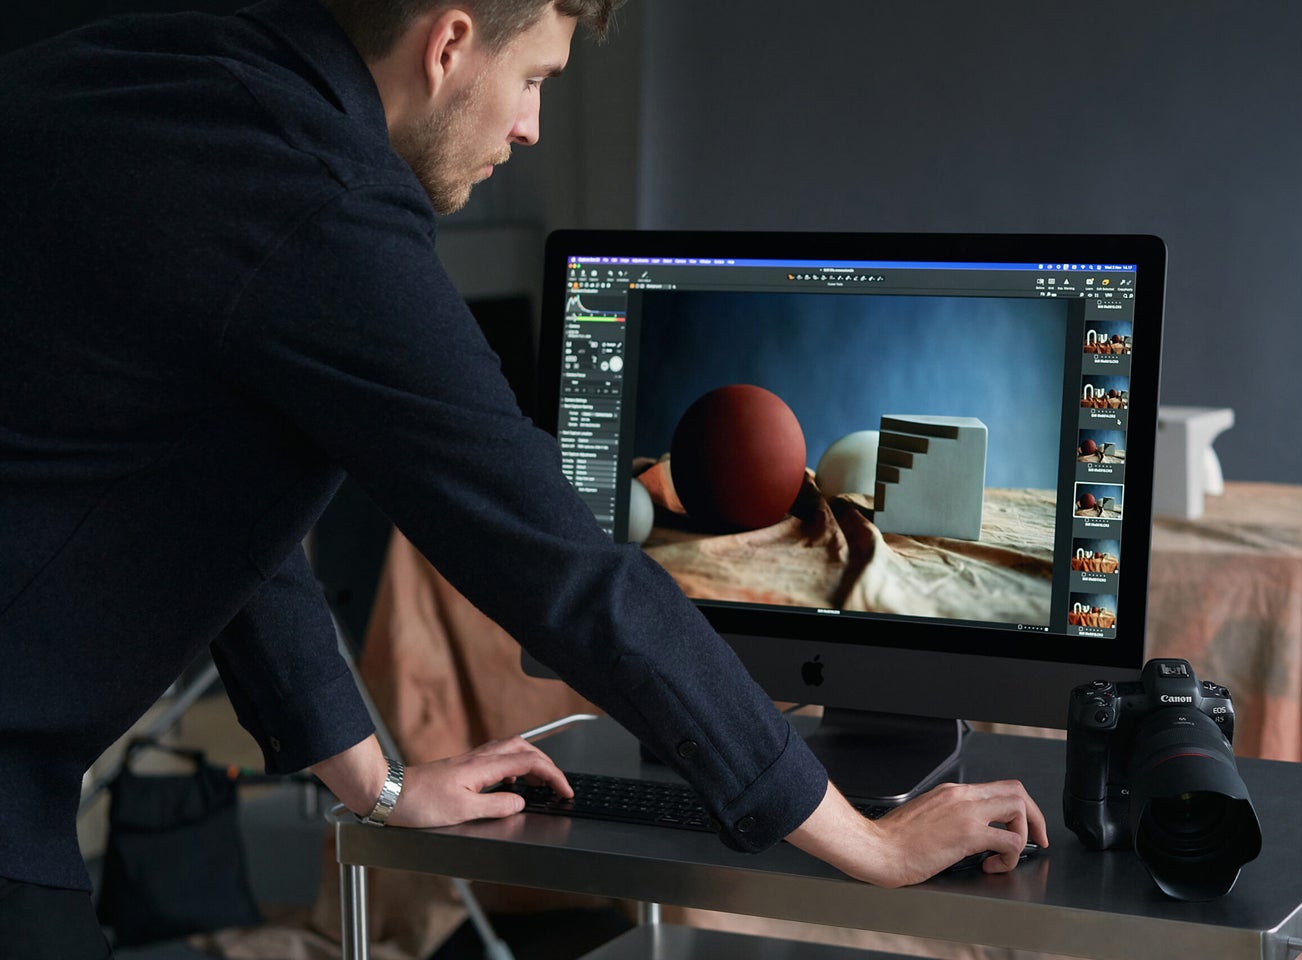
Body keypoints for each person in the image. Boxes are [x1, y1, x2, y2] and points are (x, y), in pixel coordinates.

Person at [0, 0, 1046, 953]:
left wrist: (375, 784)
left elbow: (220, 491)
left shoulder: (174, 68)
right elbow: (568, 574)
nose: (532, 127)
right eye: (536, 80)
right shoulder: (317, 199)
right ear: (449, 43)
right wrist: (868, 845)